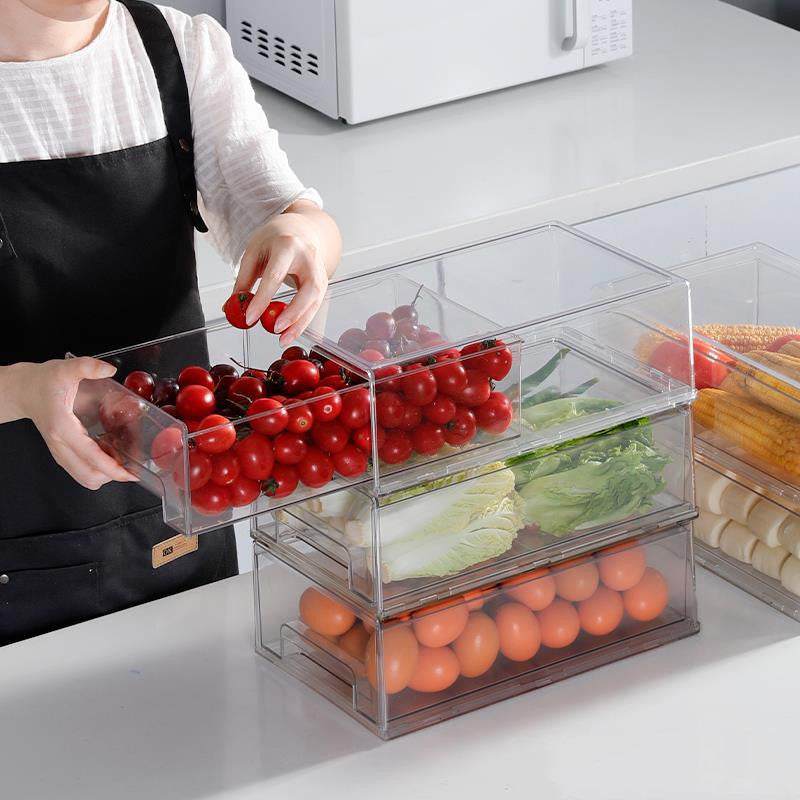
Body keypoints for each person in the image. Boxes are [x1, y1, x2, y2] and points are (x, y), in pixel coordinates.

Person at [0, 0, 341, 645]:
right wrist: (21, 391)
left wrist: (301, 236)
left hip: (175, 523)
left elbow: (289, 212)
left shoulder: (175, 50)